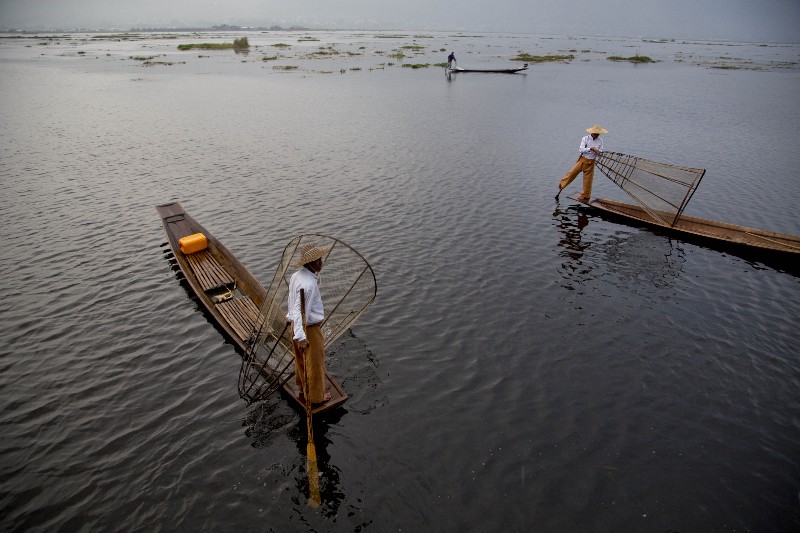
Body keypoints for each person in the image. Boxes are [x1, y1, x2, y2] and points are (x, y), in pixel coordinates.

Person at [287, 242, 333, 404]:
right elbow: (300, 310)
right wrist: (301, 335)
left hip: (297, 325)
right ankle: (315, 398)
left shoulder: (296, 276)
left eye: (320, 259)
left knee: (301, 359)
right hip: (308, 329)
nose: (321, 263)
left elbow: (292, 302)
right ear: (308, 263)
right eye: (317, 261)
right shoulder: (309, 284)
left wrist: (291, 321)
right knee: (315, 361)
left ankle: (302, 385)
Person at [556, 124, 608, 202]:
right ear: (592, 133)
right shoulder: (585, 139)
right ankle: (562, 184)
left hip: (591, 163)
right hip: (582, 160)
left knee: (588, 180)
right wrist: (591, 149)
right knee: (572, 173)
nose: (597, 135)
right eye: (595, 134)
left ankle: (585, 196)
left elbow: (601, 151)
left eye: (598, 134)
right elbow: (581, 149)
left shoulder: (600, 141)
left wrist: (598, 152)